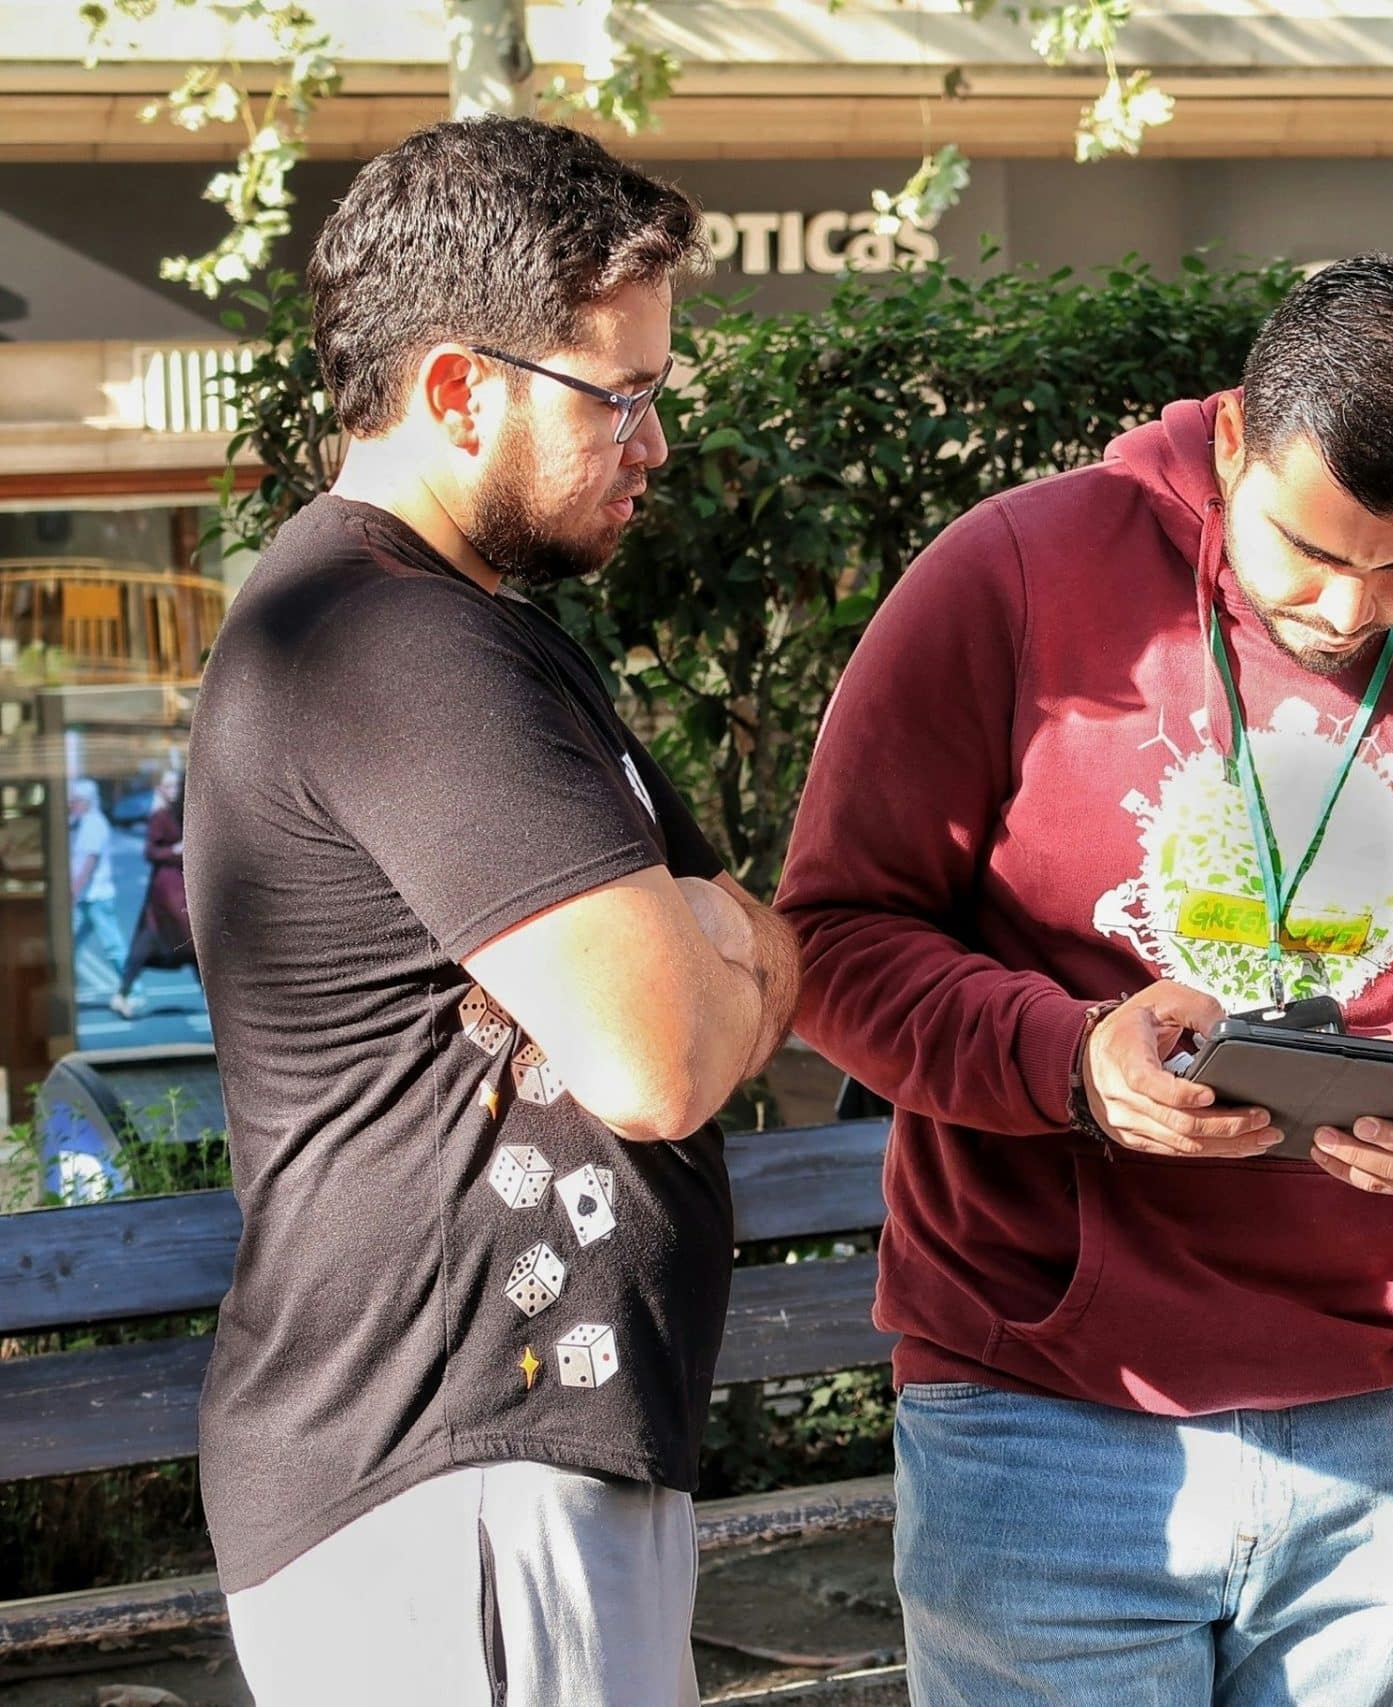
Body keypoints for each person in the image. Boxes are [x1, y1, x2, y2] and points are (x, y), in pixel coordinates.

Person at [777, 254, 1393, 1704]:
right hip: (1043, 1409)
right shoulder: (1014, 575)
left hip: (1392, 1419)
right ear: (1233, 438)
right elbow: (838, 936)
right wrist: (1071, 1059)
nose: (1348, 607)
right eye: (1307, 549)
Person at [186, 118, 799, 1707]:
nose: (654, 442)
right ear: (461, 390)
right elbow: (663, 1054)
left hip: (496, 1460)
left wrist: (716, 943)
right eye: (621, 396)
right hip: (455, 1475)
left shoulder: (452, 629)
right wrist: (715, 950)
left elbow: (738, 938)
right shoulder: (397, 644)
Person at [108, 768, 195, 1020]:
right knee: (188, 942)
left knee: (166, 943)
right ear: (160, 790)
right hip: (165, 891)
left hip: (176, 887)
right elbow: (150, 852)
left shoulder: (180, 813)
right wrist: (175, 851)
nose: (173, 790)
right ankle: (122, 993)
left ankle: (122, 993)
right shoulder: (160, 816)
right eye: (168, 786)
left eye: (175, 786)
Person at [64, 776, 120, 999]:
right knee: (69, 943)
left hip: (96, 896)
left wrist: (73, 891)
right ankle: (66, 987)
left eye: (75, 801)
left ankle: (132, 989)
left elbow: (89, 862)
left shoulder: (94, 824)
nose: (71, 805)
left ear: (86, 801)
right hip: (87, 897)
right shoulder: (82, 822)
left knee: (113, 945)